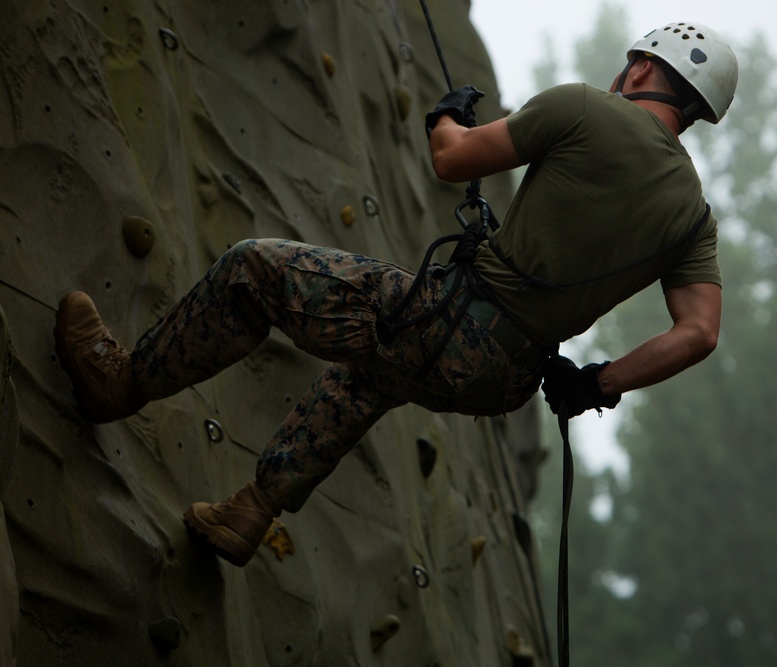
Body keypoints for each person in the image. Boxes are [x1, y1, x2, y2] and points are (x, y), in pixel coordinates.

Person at [54, 22, 738, 567]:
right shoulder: (693, 215)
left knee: (253, 270)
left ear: (643, 69)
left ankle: (121, 384)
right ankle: (250, 510)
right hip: (505, 380)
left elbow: (452, 160)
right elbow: (698, 331)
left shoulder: (585, 108)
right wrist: (596, 381)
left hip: (447, 324)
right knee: (370, 375)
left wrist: (445, 117)